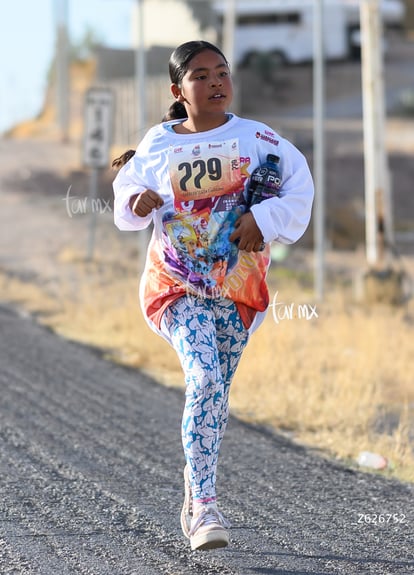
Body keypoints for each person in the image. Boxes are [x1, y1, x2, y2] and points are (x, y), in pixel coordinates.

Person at [113, 40, 314, 551]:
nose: (216, 82)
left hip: (237, 289)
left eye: (221, 72)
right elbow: (124, 206)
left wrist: (262, 218)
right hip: (175, 287)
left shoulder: (260, 140)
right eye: (201, 76)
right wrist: (139, 202)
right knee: (203, 377)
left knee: (216, 392)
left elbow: (300, 192)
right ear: (178, 91)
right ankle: (204, 505)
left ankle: (193, 482)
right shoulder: (158, 144)